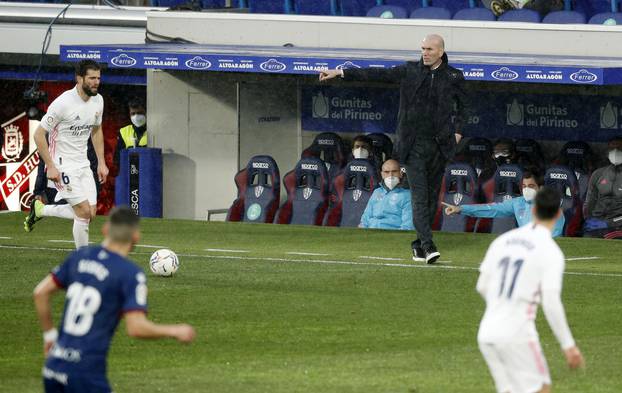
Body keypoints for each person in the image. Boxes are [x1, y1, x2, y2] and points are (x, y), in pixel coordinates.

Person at [320, 34, 468, 264]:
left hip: (440, 146)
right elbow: (378, 73)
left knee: (430, 199)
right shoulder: (410, 71)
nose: (425, 53)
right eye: (422, 49)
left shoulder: (454, 76)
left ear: (440, 51)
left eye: (429, 49)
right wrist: (341, 72)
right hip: (413, 146)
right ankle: (428, 246)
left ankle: (418, 245)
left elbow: (464, 109)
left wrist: (457, 133)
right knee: (419, 196)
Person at [33, 206, 195, 393]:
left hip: (53, 367)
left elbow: (41, 293)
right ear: (136, 237)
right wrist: (175, 330)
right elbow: (136, 328)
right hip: (85, 374)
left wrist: (50, 336)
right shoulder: (129, 274)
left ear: (105, 230)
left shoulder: (79, 257)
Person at [476, 187, 584, 393]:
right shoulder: (550, 251)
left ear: (533, 211)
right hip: (518, 334)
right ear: (559, 214)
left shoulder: (503, 241)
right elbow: (551, 302)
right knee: (541, 388)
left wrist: (501, 305)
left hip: (487, 332)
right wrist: (568, 345)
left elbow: (482, 285)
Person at [24, 60, 109, 249]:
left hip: (83, 164)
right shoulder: (63, 103)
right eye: (92, 78)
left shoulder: (98, 101)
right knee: (83, 212)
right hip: (62, 165)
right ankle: (83, 258)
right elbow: (39, 135)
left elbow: (96, 130)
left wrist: (101, 163)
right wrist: (51, 166)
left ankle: (41, 210)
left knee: (91, 213)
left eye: (98, 78)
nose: (96, 82)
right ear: (79, 78)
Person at [443, 170, 566, 237]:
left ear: (541, 188)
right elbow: (490, 209)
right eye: (524, 186)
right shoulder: (518, 203)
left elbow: (555, 235)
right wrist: (460, 209)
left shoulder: (552, 207)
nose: (526, 189)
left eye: (531, 186)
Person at [583, 137, 622, 238]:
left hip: (618, 227)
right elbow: (588, 203)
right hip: (597, 225)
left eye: (619, 149)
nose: (615, 152)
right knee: (587, 239)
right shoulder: (598, 174)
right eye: (612, 149)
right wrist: (589, 220)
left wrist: (609, 223)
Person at [360, 159, 414, 231]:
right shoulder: (377, 192)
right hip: (370, 232)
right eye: (387, 172)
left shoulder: (407, 195)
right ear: (382, 174)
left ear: (400, 173)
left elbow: (408, 226)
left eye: (394, 171)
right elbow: (365, 219)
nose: (390, 175)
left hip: (391, 235)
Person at [114, 97, 148, 169]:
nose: (136, 116)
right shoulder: (123, 132)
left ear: (146, 112)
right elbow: (117, 159)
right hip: (129, 172)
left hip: (147, 172)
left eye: (139, 113)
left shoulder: (154, 131)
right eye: (133, 114)